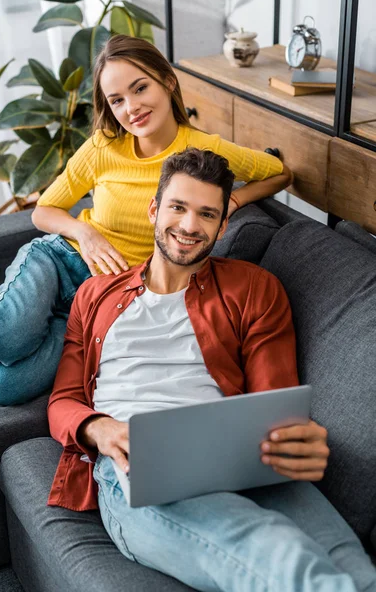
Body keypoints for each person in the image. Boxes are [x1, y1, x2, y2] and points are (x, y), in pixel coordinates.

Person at [48, 148, 376, 592]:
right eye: (178, 207)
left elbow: (272, 404)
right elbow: (64, 399)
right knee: (279, 553)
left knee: (350, 564)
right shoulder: (95, 295)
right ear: (154, 209)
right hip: (139, 465)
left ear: (223, 226)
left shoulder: (254, 288)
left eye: (206, 214)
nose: (188, 226)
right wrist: (100, 429)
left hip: (236, 458)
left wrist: (290, 435)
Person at [0, 34, 292, 406]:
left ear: (167, 80)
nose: (132, 108)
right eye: (117, 100)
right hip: (61, 260)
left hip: (100, 298)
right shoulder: (102, 147)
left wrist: (234, 199)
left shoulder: (204, 151)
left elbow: (280, 173)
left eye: (140, 88)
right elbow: (45, 210)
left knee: (4, 387)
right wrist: (84, 232)